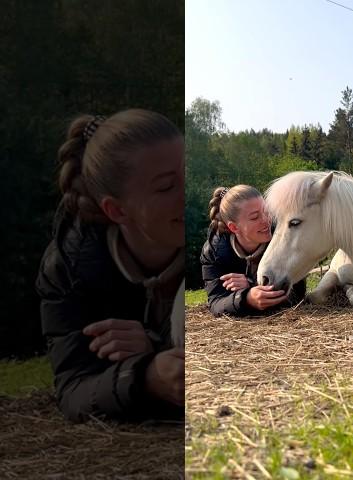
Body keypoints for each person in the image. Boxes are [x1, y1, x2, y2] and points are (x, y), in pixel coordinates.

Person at [35, 109, 185, 422]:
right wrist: (147, 377)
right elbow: (74, 390)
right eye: (167, 187)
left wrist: (156, 345)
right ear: (116, 210)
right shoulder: (70, 269)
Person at [201, 185, 305, 316]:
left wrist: (252, 283)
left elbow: (298, 294)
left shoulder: (284, 236)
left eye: (266, 211)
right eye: (255, 217)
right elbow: (216, 303)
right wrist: (247, 298)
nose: (266, 220)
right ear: (234, 227)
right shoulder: (214, 251)